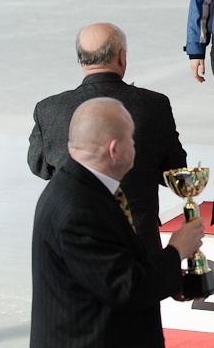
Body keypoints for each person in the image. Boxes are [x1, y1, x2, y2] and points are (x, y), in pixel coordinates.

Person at [27, 98, 205, 348]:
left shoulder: (78, 188)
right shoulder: (79, 209)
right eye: (131, 140)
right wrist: (177, 249)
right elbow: (127, 288)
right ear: (114, 149)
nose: (136, 148)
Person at [28, 23, 188, 253]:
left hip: (72, 244)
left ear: (82, 60)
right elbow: (174, 170)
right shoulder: (154, 105)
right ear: (121, 57)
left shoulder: (49, 109)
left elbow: (39, 167)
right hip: (138, 244)